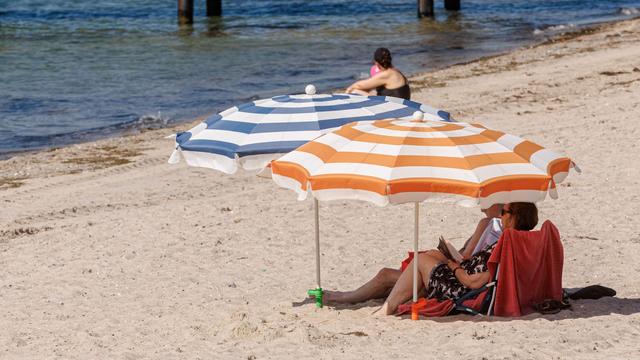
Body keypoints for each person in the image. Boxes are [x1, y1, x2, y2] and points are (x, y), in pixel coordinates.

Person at [326, 202, 539, 316]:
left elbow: (474, 281)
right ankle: (373, 302)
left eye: (504, 211)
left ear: (514, 217)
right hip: (464, 279)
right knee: (422, 260)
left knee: (419, 260)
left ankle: (384, 308)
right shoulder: (515, 243)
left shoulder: (505, 244)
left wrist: (451, 265)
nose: (501, 215)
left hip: (463, 289)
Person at [346, 47, 411, 100]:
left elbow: (359, 85)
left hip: (394, 107)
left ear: (376, 62)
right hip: (401, 104)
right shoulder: (396, 71)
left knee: (354, 91)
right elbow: (367, 86)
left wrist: (348, 90)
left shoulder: (387, 74)